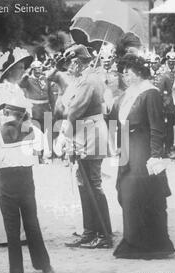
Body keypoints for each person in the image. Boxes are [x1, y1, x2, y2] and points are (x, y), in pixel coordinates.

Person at [0, 47, 53, 273]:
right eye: (20, 66)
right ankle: (22, 268)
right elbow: (8, 119)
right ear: (10, 70)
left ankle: (39, 263)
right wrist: (24, 124)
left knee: (29, 219)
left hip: (17, 164)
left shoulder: (16, 90)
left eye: (24, 65)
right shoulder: (3, 92)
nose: (24, 69)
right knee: (18, 223)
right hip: (12, 155)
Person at [109, 53, 175, 259]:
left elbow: (157, 127)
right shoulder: (127, 94)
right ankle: (133, 239)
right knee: (126, 192)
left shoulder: (150, 93)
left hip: (144, 149)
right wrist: (118, 146)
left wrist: (156, 155)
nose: (125, 76)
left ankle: (150, 244)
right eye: (123, 73)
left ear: (139, 72)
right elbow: (116, 122)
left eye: (128, 72)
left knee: (140, 193)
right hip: (128, 149)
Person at [61, 45, 113, 249]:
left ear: (76, 62)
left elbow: (74, 110)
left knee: (93, 184)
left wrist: (65, 136)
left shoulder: (88, 79)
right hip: (85, 132)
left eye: (70, 63)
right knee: (85, 184)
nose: (68, 68)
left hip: (89, 133)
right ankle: (90, 231)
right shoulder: (85, 79)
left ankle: (103, 234)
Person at [19, 58, 56, 163]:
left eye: (39, 68)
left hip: (46, 110)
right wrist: (26, 74)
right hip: (34, 111)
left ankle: (47, 154)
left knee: (46, 133)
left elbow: (51, 96)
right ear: (32, 70)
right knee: (36, 134)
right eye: (35, 69)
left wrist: (53, 110)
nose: (37, 70)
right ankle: (38, 156)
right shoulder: (28, 80)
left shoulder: (46, 79)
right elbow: (21, 84)